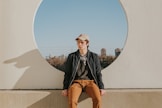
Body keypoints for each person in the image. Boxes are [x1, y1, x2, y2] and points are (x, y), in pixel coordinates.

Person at [61, 34, 106, 108]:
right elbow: (67, 73)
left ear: (87, 43)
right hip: (76, 82)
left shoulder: (94, 56)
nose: (79, 44)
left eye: (82, 42)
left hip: (90, 82)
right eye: (78, 42)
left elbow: (98, 73)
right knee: (72, 101)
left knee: (98, 99)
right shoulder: (72, 56)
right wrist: (65, 88)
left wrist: (101, 87)